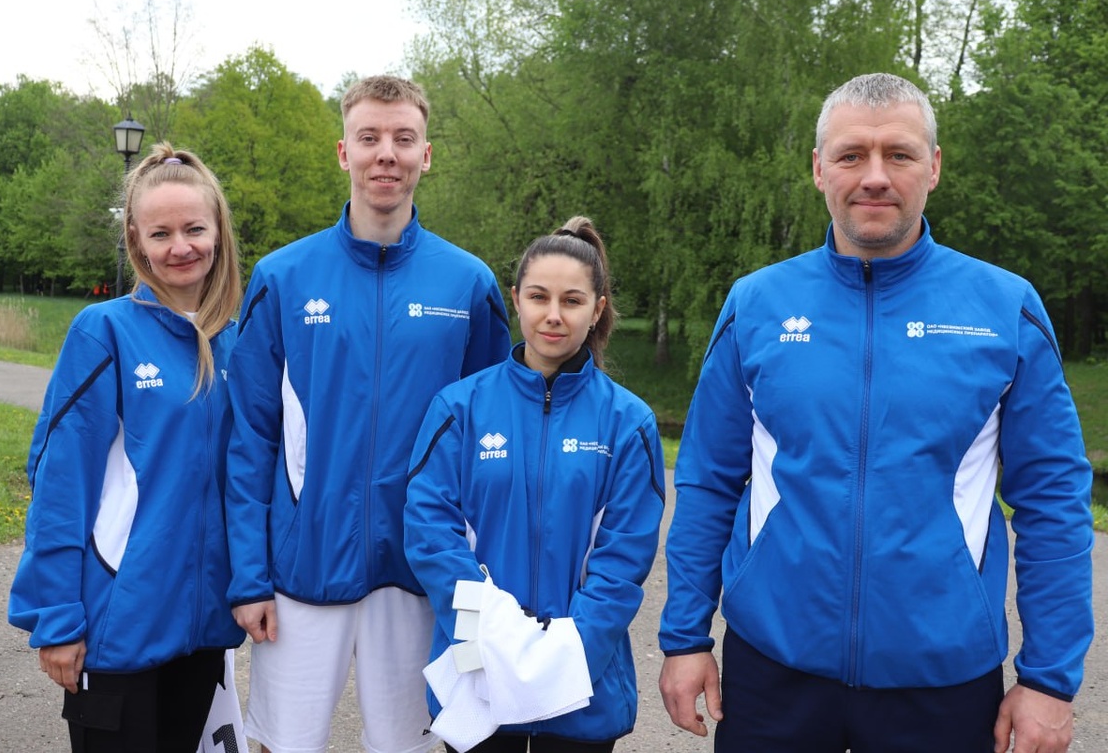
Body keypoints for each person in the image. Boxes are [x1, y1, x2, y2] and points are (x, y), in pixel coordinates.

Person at [658, 72, 1095, 753]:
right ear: (818, 169)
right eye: (851, 155)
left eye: (899, 154)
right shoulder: (757, 304)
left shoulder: (1004, 308)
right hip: (773, 672)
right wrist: (685, 638)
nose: (875, 177)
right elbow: (708, 481)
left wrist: (1049, 680)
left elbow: (1054, 500)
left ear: (934, 166)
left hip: (942, 682)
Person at [225, 74, 512, 753]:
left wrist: (481, 579)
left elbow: (492, 440)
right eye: (370, 137)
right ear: (343, 152)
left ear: (425, 155)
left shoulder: (468, 283)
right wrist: (249, 575)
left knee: (409, 747)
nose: (387, 153)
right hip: (302, 566)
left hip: (420, 570)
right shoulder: (282, 277)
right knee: (285, 745)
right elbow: (250, 437)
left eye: (403, 138)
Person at [8, 142, 245, 752]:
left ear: (218, 231)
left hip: (204, 631)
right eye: (160, 233)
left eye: (194, 228)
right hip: (117, 628)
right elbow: (60, 482)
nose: (180, 246)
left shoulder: (238, 339)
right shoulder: (103, 331)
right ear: (136, 240)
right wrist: (57, 617)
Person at [404, 216, 667, 752]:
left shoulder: (628, 422)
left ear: (597, 310)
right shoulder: (459, 408)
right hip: (480, 676)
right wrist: (492, 634)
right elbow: (431, 536)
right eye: (538, 296)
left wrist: (566, 655)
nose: (553, 315)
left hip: (581, 688)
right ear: (516, 300)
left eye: (572, 301)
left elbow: (623, 561)